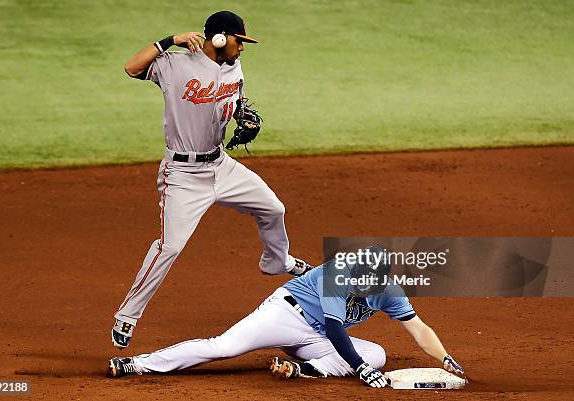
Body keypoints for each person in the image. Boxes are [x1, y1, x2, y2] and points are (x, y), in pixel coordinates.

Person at [110, 11, 314, 349]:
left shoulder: (234, 68)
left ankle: (278, 261)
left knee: (273, 209)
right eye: (239, 41)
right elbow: (132, 67)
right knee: (169, 247)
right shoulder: (175, 65)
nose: (242, 48)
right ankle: (127, 316)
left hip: (222, 166)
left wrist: (242, 115)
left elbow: (235, 100)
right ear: (219, 38)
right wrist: (169, 41)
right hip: (183, 175)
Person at [107, 246, 465, 388]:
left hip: (317, 338)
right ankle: (137, 364)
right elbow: (338, 328)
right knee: (224, 347)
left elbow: (417, 327)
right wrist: (358, 368)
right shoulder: (339, 273)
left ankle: (303, 370)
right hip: (285, 314)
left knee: (379, 355)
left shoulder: (388, 289)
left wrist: (444, 357)